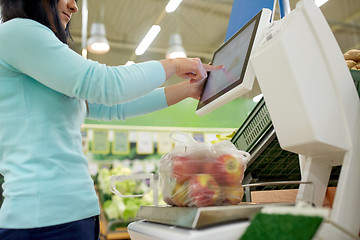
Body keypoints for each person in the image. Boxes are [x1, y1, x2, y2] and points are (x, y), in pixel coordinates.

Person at [0, 0, 223, 239]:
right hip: (44, 222)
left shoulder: (32, 53)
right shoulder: (17, 32)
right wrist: (174, 64)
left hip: (66, 219)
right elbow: (105, 84)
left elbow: (113, 107)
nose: (73, 6)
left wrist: (188, 91)